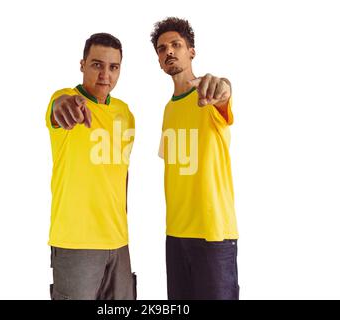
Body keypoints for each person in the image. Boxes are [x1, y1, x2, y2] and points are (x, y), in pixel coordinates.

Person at [151, 17, 240, 300]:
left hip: (213, 234)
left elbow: (223, 92)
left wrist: (223, 87)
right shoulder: (167, 110)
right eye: (162, 48)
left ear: (192, 51)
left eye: (176, 45)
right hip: (175, 234)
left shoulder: (208, 94)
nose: (169, 52)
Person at [45, 33, 136, 300]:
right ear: (82, 64)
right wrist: (63, 106)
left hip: (119, 243)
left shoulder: (125, 113)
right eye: (97, 65)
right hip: (77, 243)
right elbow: (57, 108)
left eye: (113, 67)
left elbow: (122, 173)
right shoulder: (66, 98)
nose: (105, 75)